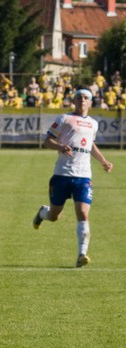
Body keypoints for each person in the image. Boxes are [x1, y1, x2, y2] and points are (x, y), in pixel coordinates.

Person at [32, 87, 114, 267]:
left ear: (90, 102)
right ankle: (42, 213)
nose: (82, 100)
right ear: (74, 101)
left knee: (83, 214)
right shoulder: (64, 119)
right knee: (54, 216)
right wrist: (60, 147)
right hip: (62, 174)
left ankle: (81, 254)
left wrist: (103, 161)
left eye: (86, 98)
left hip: (83, 176)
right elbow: (47, 141)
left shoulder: (93, 123)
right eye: (79, 97)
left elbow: (91, 145)